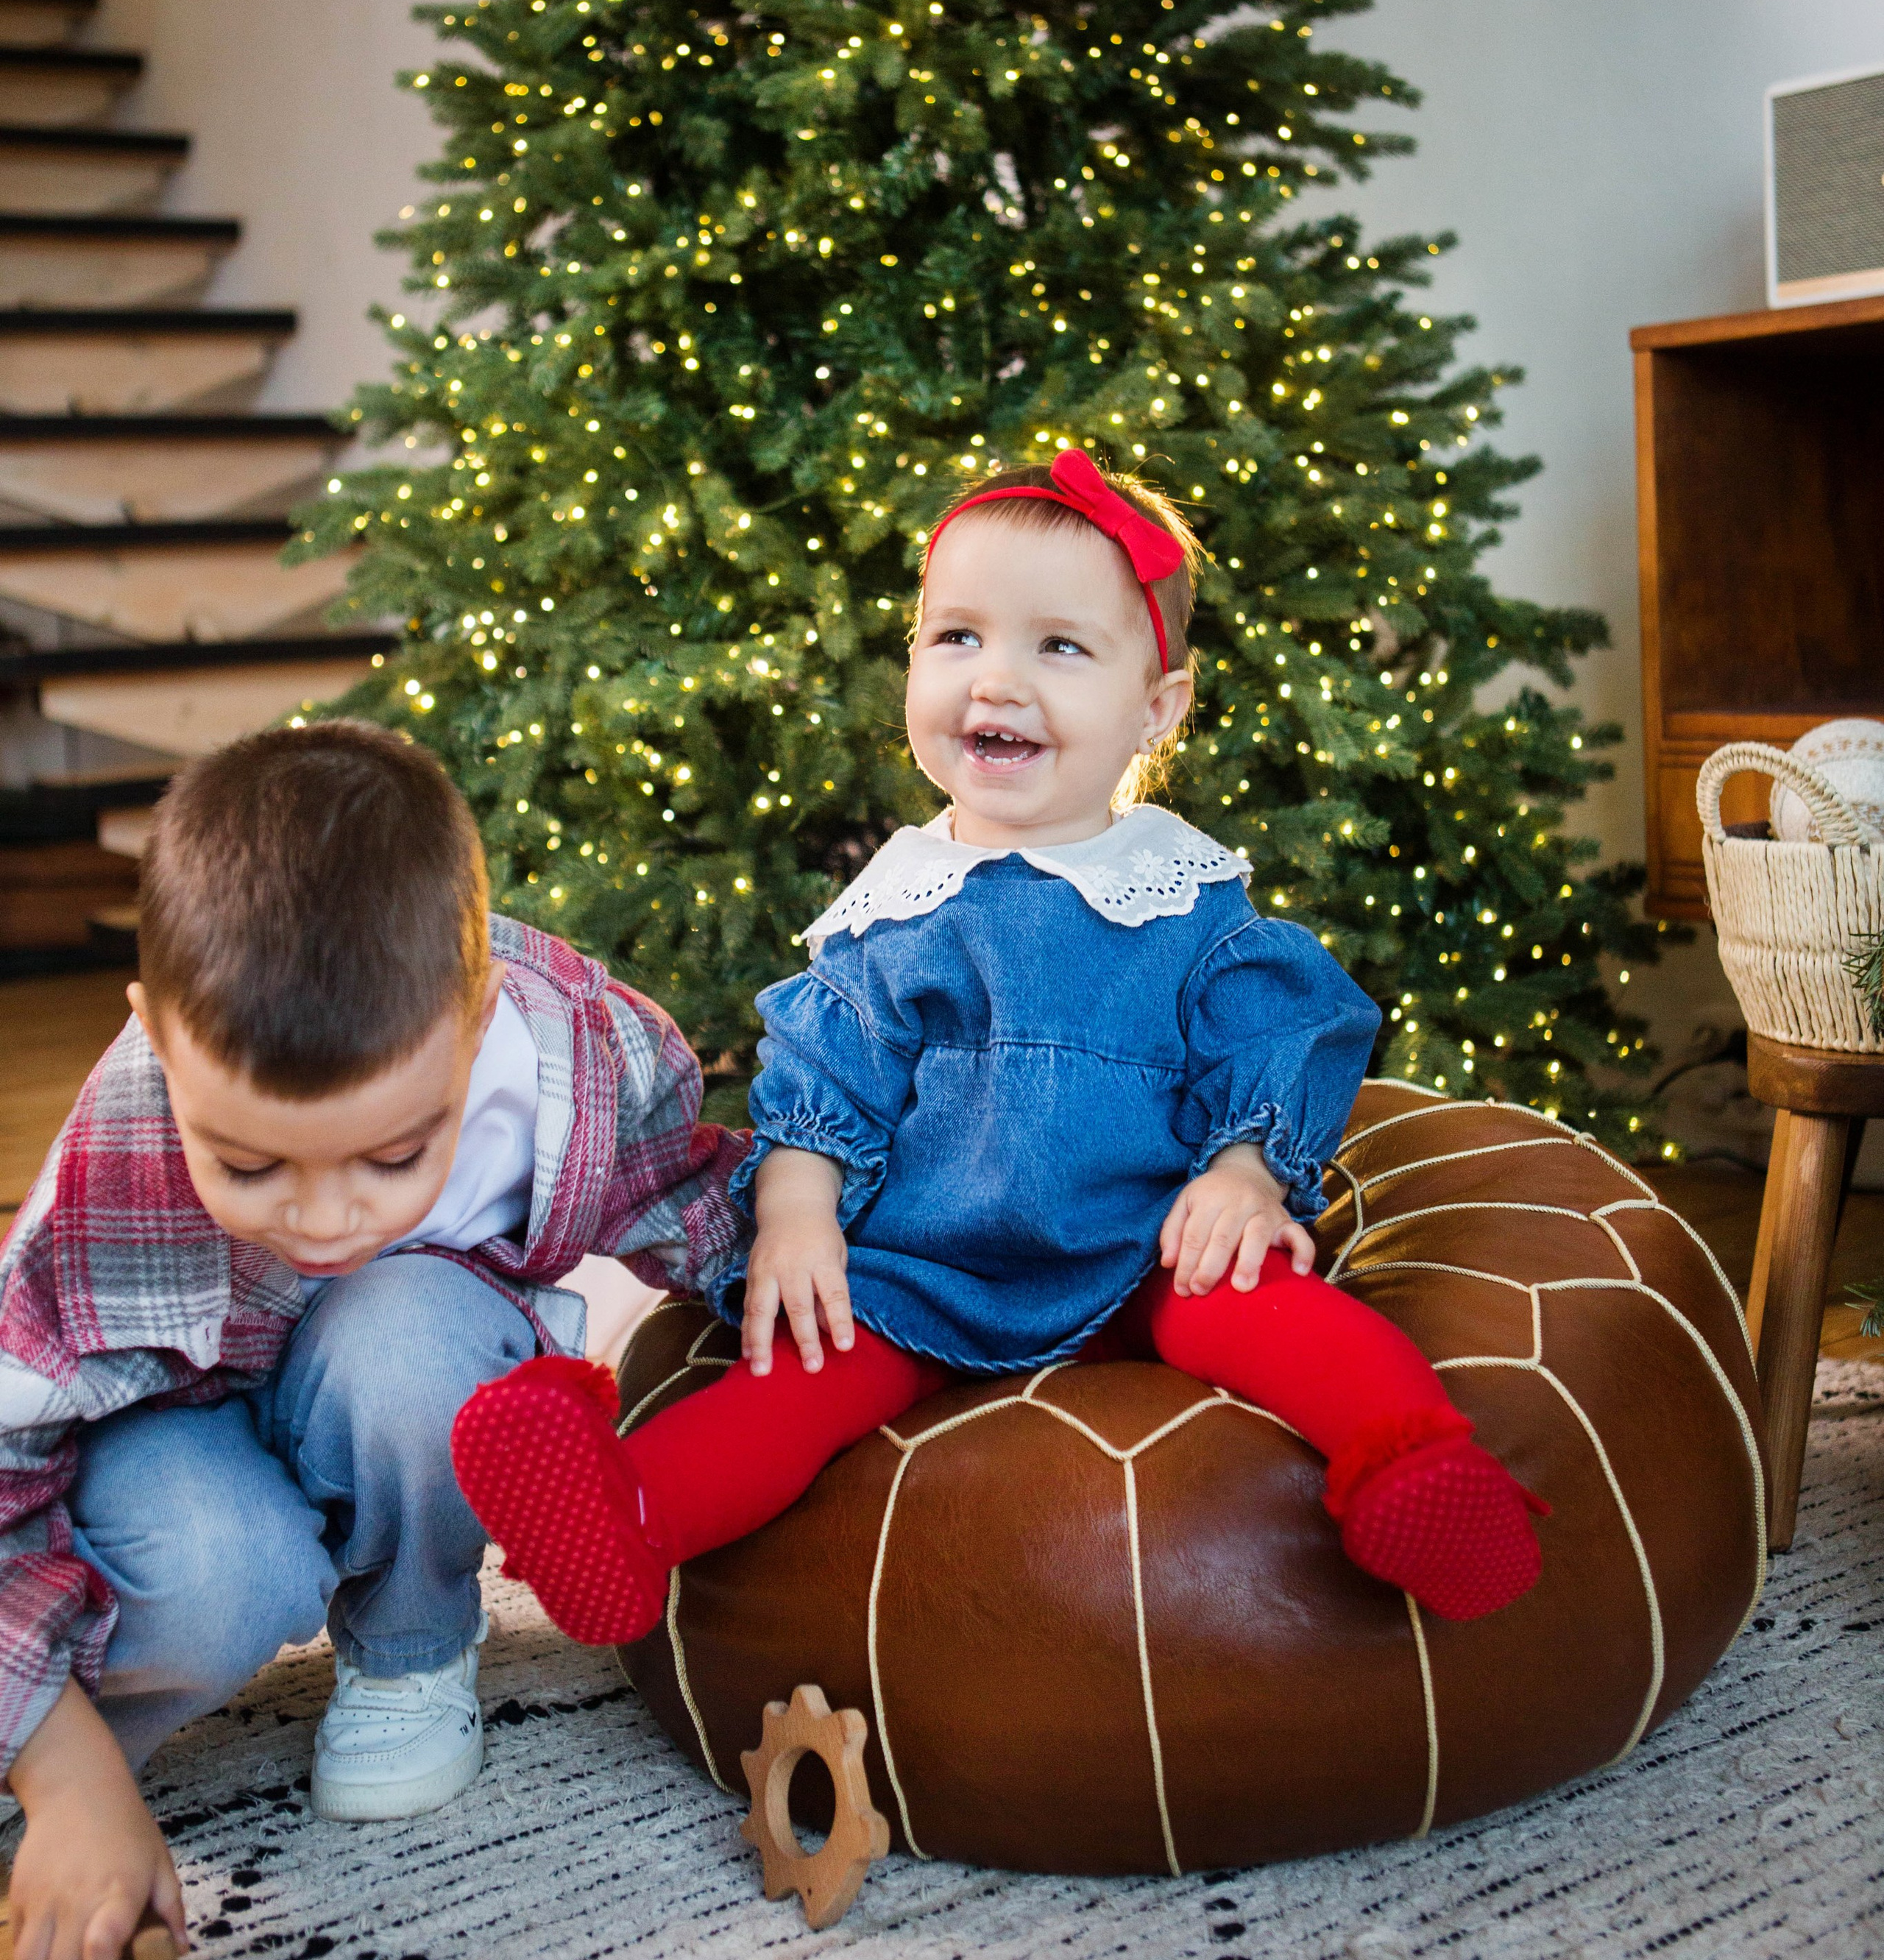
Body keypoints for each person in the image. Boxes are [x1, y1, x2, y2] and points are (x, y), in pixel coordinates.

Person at [453, 452, 1546, 1652]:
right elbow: (820, 1101)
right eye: (957, 638)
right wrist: (800, 1219)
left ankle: (1413, 1467)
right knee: (799, 1377)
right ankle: (628, 1517)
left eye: (1060, 648)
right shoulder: (896, 911)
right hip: (927, 1276)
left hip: (1143, 1252)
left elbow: (1273, 1046)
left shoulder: (1180, 899)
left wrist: (1242, 1177)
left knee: (1264, 1306)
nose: (998, 682)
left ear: (1157, 708)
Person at [1, 722, 745, 1960]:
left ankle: (411, 1648)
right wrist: (67, 1781)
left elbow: (714, 1222)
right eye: (248, 1163)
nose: (327, 1217)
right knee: (229, 1570)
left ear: (476, 1023)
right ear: (156, 1037)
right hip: (176, 1440)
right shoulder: (119, 1151)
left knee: (411, 1332)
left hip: (405, 1370)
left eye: (393, 1158)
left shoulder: (581, 1057)